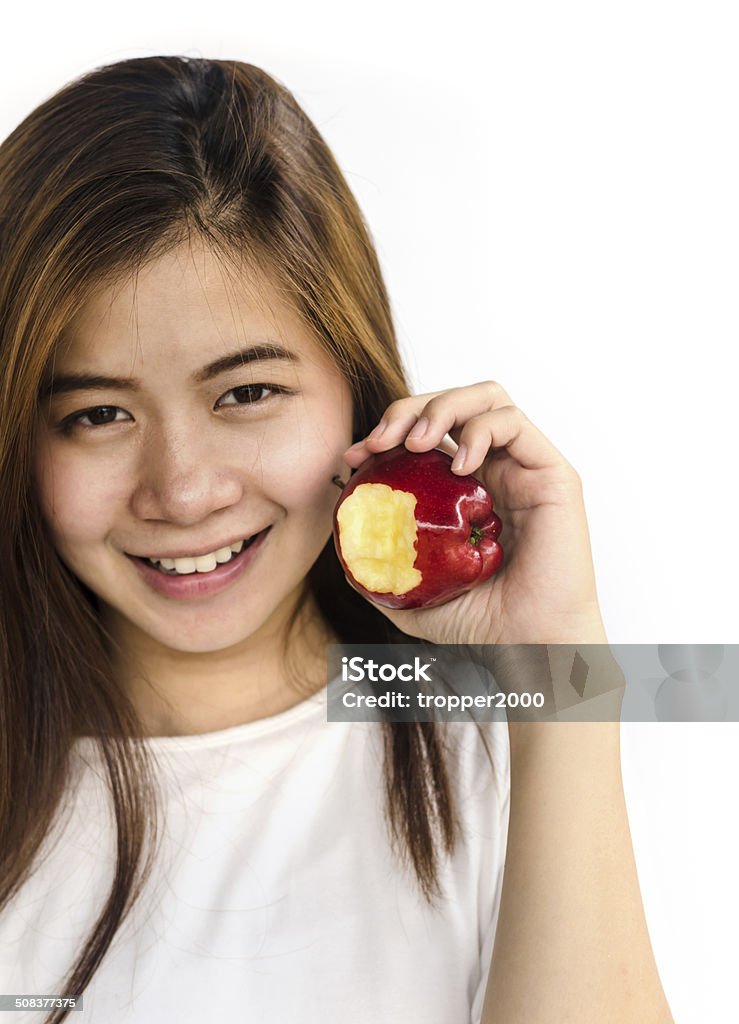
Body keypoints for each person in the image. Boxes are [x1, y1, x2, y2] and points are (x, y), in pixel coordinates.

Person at [0, 56, 673, 1023]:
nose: (184, 491)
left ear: (356, 393)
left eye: (247, 393)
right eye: (99, 415)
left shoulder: (493, 746)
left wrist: (562, 670)